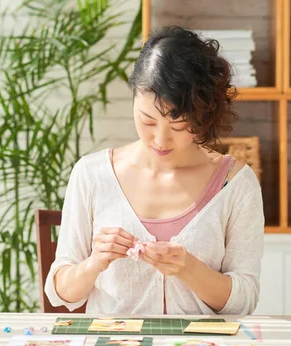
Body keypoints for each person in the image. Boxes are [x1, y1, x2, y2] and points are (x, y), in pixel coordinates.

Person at [44, 26, 264, 315]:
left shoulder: (236, 184)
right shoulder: (91, 174)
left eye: (178, 126)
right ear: (134, 97)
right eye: (148, 122)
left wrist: (189, 269)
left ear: (203, 117)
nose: (160, 140)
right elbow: (60, 293)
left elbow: (245, 299)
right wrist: (95, 262)